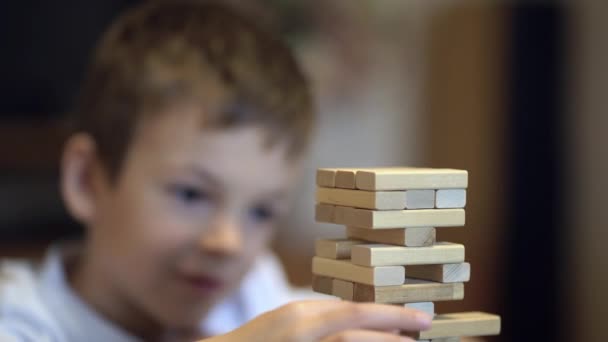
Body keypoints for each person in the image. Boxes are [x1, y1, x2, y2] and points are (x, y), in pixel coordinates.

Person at [0, 1, 432, 341]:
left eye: (262, 212)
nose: (228, 242)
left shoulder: (255, 295)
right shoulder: (18, 319)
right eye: (191, 195)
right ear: (87, 180)